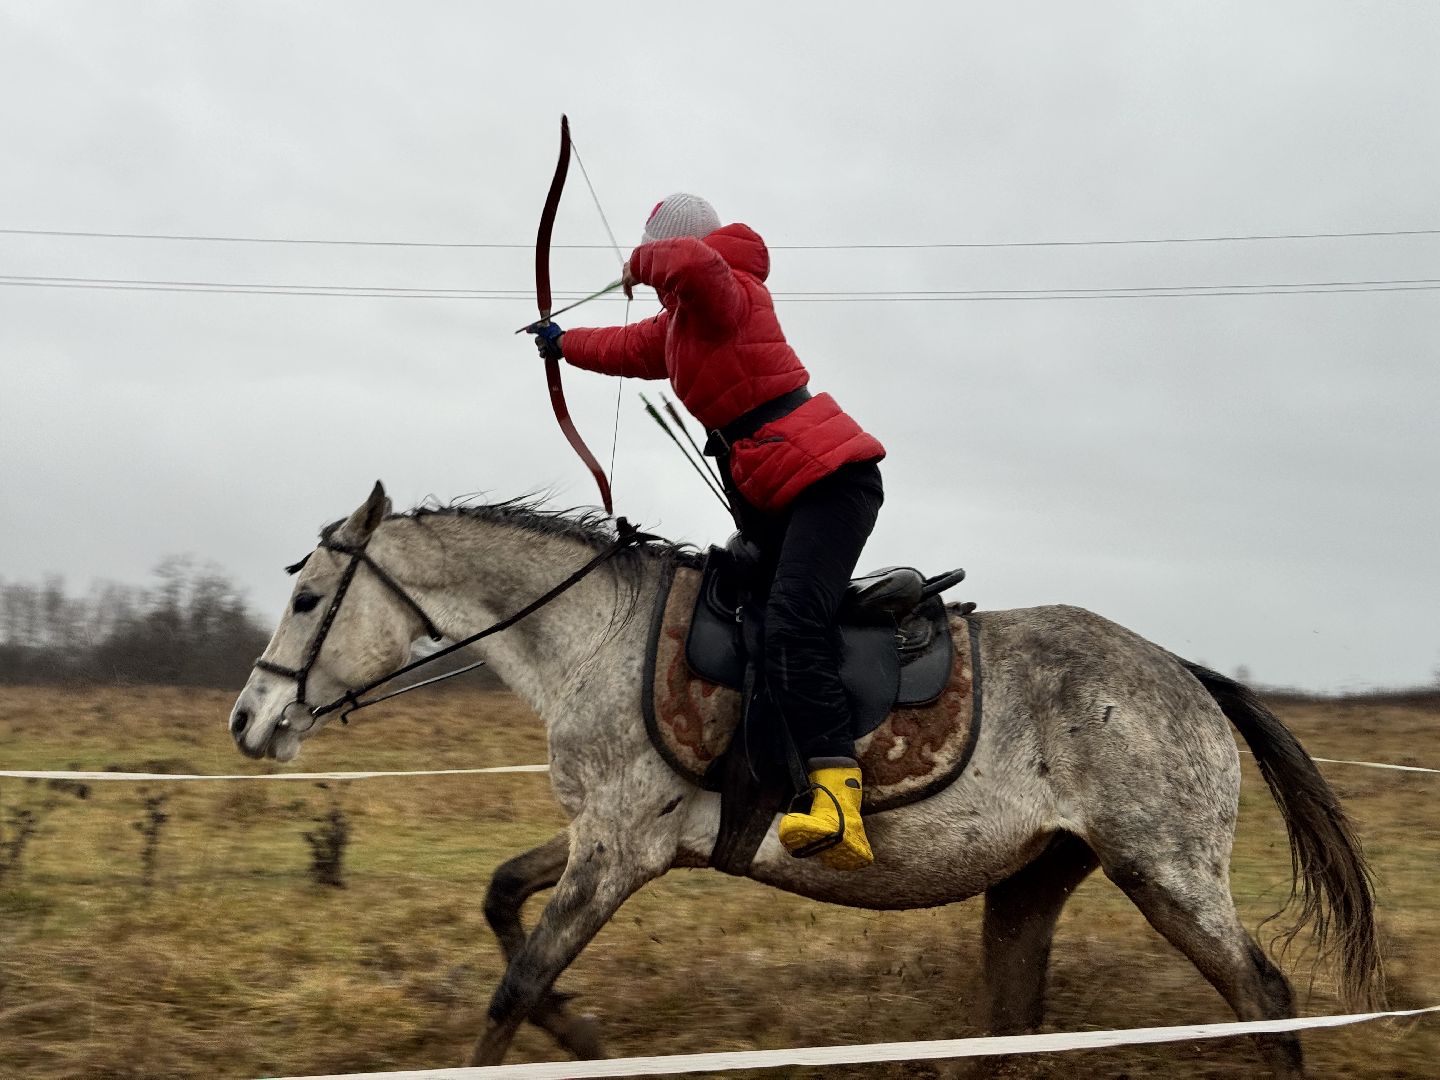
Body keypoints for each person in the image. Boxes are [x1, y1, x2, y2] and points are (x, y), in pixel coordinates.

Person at [527, 193, 885, 871]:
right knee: (752, 616)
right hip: (780, 491)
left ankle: (839, 800)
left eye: (651, 246)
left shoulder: (731, 290)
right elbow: (624, 346)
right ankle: (767, 770)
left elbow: (690, 262)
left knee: (791, 625)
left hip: (828, 483)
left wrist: (640, 262)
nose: (650, 263)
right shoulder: (684, 325)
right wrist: (562, 345)